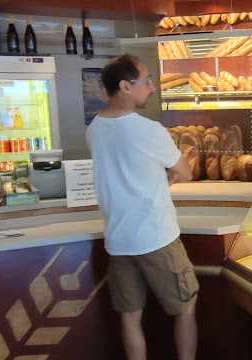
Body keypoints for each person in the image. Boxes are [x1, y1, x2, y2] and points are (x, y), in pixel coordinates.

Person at [86, 54, 197, 360]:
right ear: (125, 86)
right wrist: (168, 172)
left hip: (119, 241)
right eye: (147, 81)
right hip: (156, 237)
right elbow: (186, 172)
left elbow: (127, 168)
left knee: (130, 317)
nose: (152, 87)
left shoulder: (94, 128)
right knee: (185, 308)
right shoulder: (149, 129)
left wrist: (157, 173)